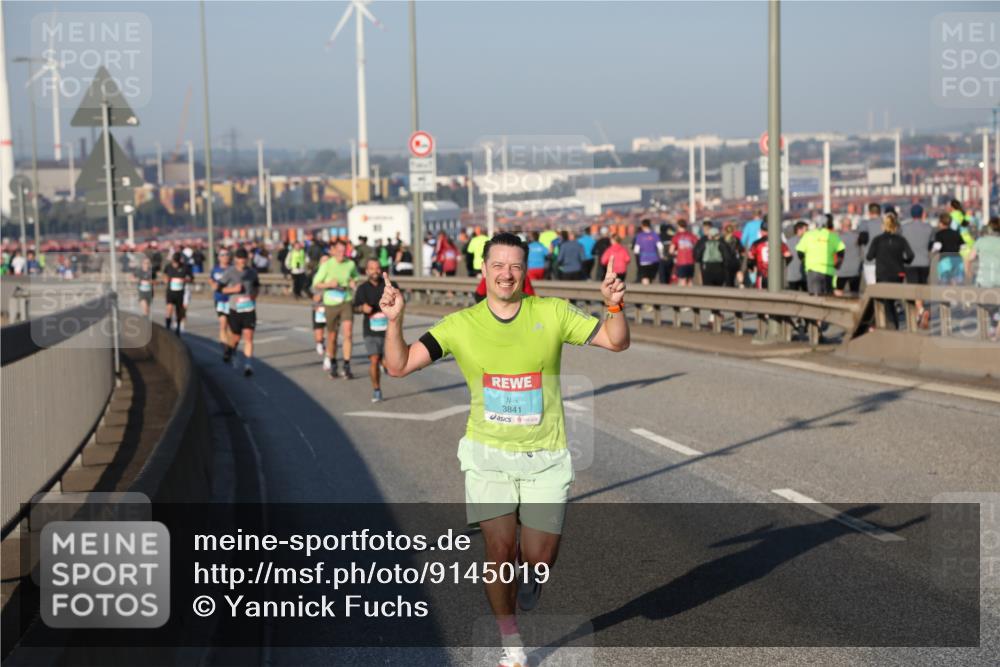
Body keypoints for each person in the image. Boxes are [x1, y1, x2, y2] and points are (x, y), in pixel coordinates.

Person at [379, 232, 629, 667]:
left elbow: (616, 341)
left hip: (545, 456)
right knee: (498, 551)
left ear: (525, 270)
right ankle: (511, 642)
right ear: (484, 270)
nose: (506, 274)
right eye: (498, 265)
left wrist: (613, 306)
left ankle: (531, 578)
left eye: (515, 266)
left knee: (539, 558)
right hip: (487, 455)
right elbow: (398, 366)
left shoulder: (551, 312)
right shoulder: (460, 324)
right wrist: (395, 321)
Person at [312, 239, 360, 379]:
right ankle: (333, 363)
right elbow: (316, 284)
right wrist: (329, 284)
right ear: (333, 251)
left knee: (348, 333)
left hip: (346, 300)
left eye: (343, 251)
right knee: (332, 337)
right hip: (330, 303)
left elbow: (356, 277)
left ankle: (346, 365)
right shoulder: (327, 265)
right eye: (338, 251)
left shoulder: (350, 264)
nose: (341, 254)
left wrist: (353, 282)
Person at [866, 214, 914, 330]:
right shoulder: (901, 240)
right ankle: (892, 325)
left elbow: (869, 257)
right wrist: (902, 260)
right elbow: (911, 255)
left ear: (883, 226)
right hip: (898, 274)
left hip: (882, 274)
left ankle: (890, 325)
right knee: (891, 300)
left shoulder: (877, 239)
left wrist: (880, 255)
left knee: (885, 301)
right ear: (896, 226)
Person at [220, 248, 261, 377]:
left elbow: (256, 286)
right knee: (236, 337)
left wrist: (254, 295)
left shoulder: (252, 272)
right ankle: (231, 350)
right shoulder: (230, 272)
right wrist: (233, 289)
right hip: (235, 310)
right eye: (240, 260)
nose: (243, 262)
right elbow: (220, 289)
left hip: (249, 309)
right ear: (236, 259)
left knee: (249, 336)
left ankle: (248, 365)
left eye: (245, 260)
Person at [354, 259, 389, 402]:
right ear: (367, 271)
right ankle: (377, 389)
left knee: (388, 362)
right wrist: (362, 308)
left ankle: (384, 363)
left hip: (389, 331)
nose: (375, 271)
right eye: (371, 268)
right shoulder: (362, 289)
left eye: (377, 268)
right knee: (374, 359)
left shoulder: (388, 286)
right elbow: (354, 308)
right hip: (370, 330)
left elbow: (401, 303)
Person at [900, 204, 935, 328]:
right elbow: (931, 246)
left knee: (913, 289)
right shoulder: (929, 228)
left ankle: (921, 311)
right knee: (921, 288)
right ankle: (918, 315)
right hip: (925, 262)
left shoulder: (904, 228)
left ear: (911, 214)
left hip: (910, 262)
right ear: (922, 214)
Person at [966, 217, 1000, 340]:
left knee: (987, 304)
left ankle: (993, 327)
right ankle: (996, 327)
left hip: (983, 281)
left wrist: (968, 274)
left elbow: (969, 258)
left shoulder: (981, 241)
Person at [798, 214, 845, 296]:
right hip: (828, 270)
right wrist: (838, 264)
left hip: (812, 270)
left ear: (815, 224)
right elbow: (841, 250)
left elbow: (800, 252)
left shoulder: (808, 235)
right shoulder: (832, 236)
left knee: (814, 296)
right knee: (828, 296)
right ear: (826, 224)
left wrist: (804, 260)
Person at [747, 220, 790, 289]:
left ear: (761, 231)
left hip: (761, 274)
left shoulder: (756, 244)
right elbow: (788, 256)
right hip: (775, 275)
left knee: (760, 296)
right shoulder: (779, 243)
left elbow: (750, 259)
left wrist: (751, 267)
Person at [211, 248, 233, 359]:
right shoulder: (215, 270)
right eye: (222, 254)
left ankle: (229, 346)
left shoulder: (233, 269)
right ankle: (225, 350)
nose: (225, 256)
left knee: (230, 326)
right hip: (220, 300)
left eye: (227, 254)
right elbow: (211, 280)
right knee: (223, 324)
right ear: (219, 257)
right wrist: (214, 285)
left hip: (231, 300)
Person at [162, 252, 192, 335]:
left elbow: (191, 278)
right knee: (169, 308)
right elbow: (164, 275)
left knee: (179, 310)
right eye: (174, 263)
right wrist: (165, 279)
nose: (175, 265)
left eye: (177, 263)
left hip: (180, 292)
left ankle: (178, 327)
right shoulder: (168, 266)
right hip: (170, 291)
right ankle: (167, 327)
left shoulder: (185, 267)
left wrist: (184, 280)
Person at [932, 213, 966, 285]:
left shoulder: (939, 234)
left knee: (944, 282)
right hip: (957, 259)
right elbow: (963, 246)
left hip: (945, 260)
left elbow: (937, 246)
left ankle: (945, 295)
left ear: (941, 223)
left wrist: (932, 251)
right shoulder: (956, 233)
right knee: (958, 282)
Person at [834, 217, 863, 296]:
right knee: (854, 293)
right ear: (850, 225)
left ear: (842, 225)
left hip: (841, 270)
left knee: (838, 292)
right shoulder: (857, 236)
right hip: (855, 270)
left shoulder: (837, 237)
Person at [858, 202, 884, 287]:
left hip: (869, 262)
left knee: (872, 289)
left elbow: (861, 240)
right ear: (879, 212)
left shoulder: (864, 224)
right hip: (885, 262)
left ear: (869, 212)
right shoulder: (885, 224)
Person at [633, 219, 663, 285]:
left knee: (645, 278)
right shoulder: (655, 235)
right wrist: (661, 256)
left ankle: (646, 294)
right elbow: (660, 246)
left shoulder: (640, 236)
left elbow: (636, 250)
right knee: (651, 278)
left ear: (642, 225)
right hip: (654, 260)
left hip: (644, 260)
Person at [669, 219, 698, 286]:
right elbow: (697, 247)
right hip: (691, 261)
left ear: (678, 226)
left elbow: (671, 251)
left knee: (682, 280)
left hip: (681, 262)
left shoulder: (676, 237)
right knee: (690, 280)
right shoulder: (692, 236)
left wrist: (677, 252)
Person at [785, 221, 809, 291]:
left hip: (791, 276)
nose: (808, 232)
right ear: (799, 230)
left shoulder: (788, 242)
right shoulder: (807, 241)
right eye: (806, 230)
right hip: (804, 276)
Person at [721, 222, 744, 287]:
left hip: (725, 261)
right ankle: (741, 283)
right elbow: (741, 250)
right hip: (734, 261)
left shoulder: (722, 239)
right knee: (736, 273)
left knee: (728, 279)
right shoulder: (736, 239)